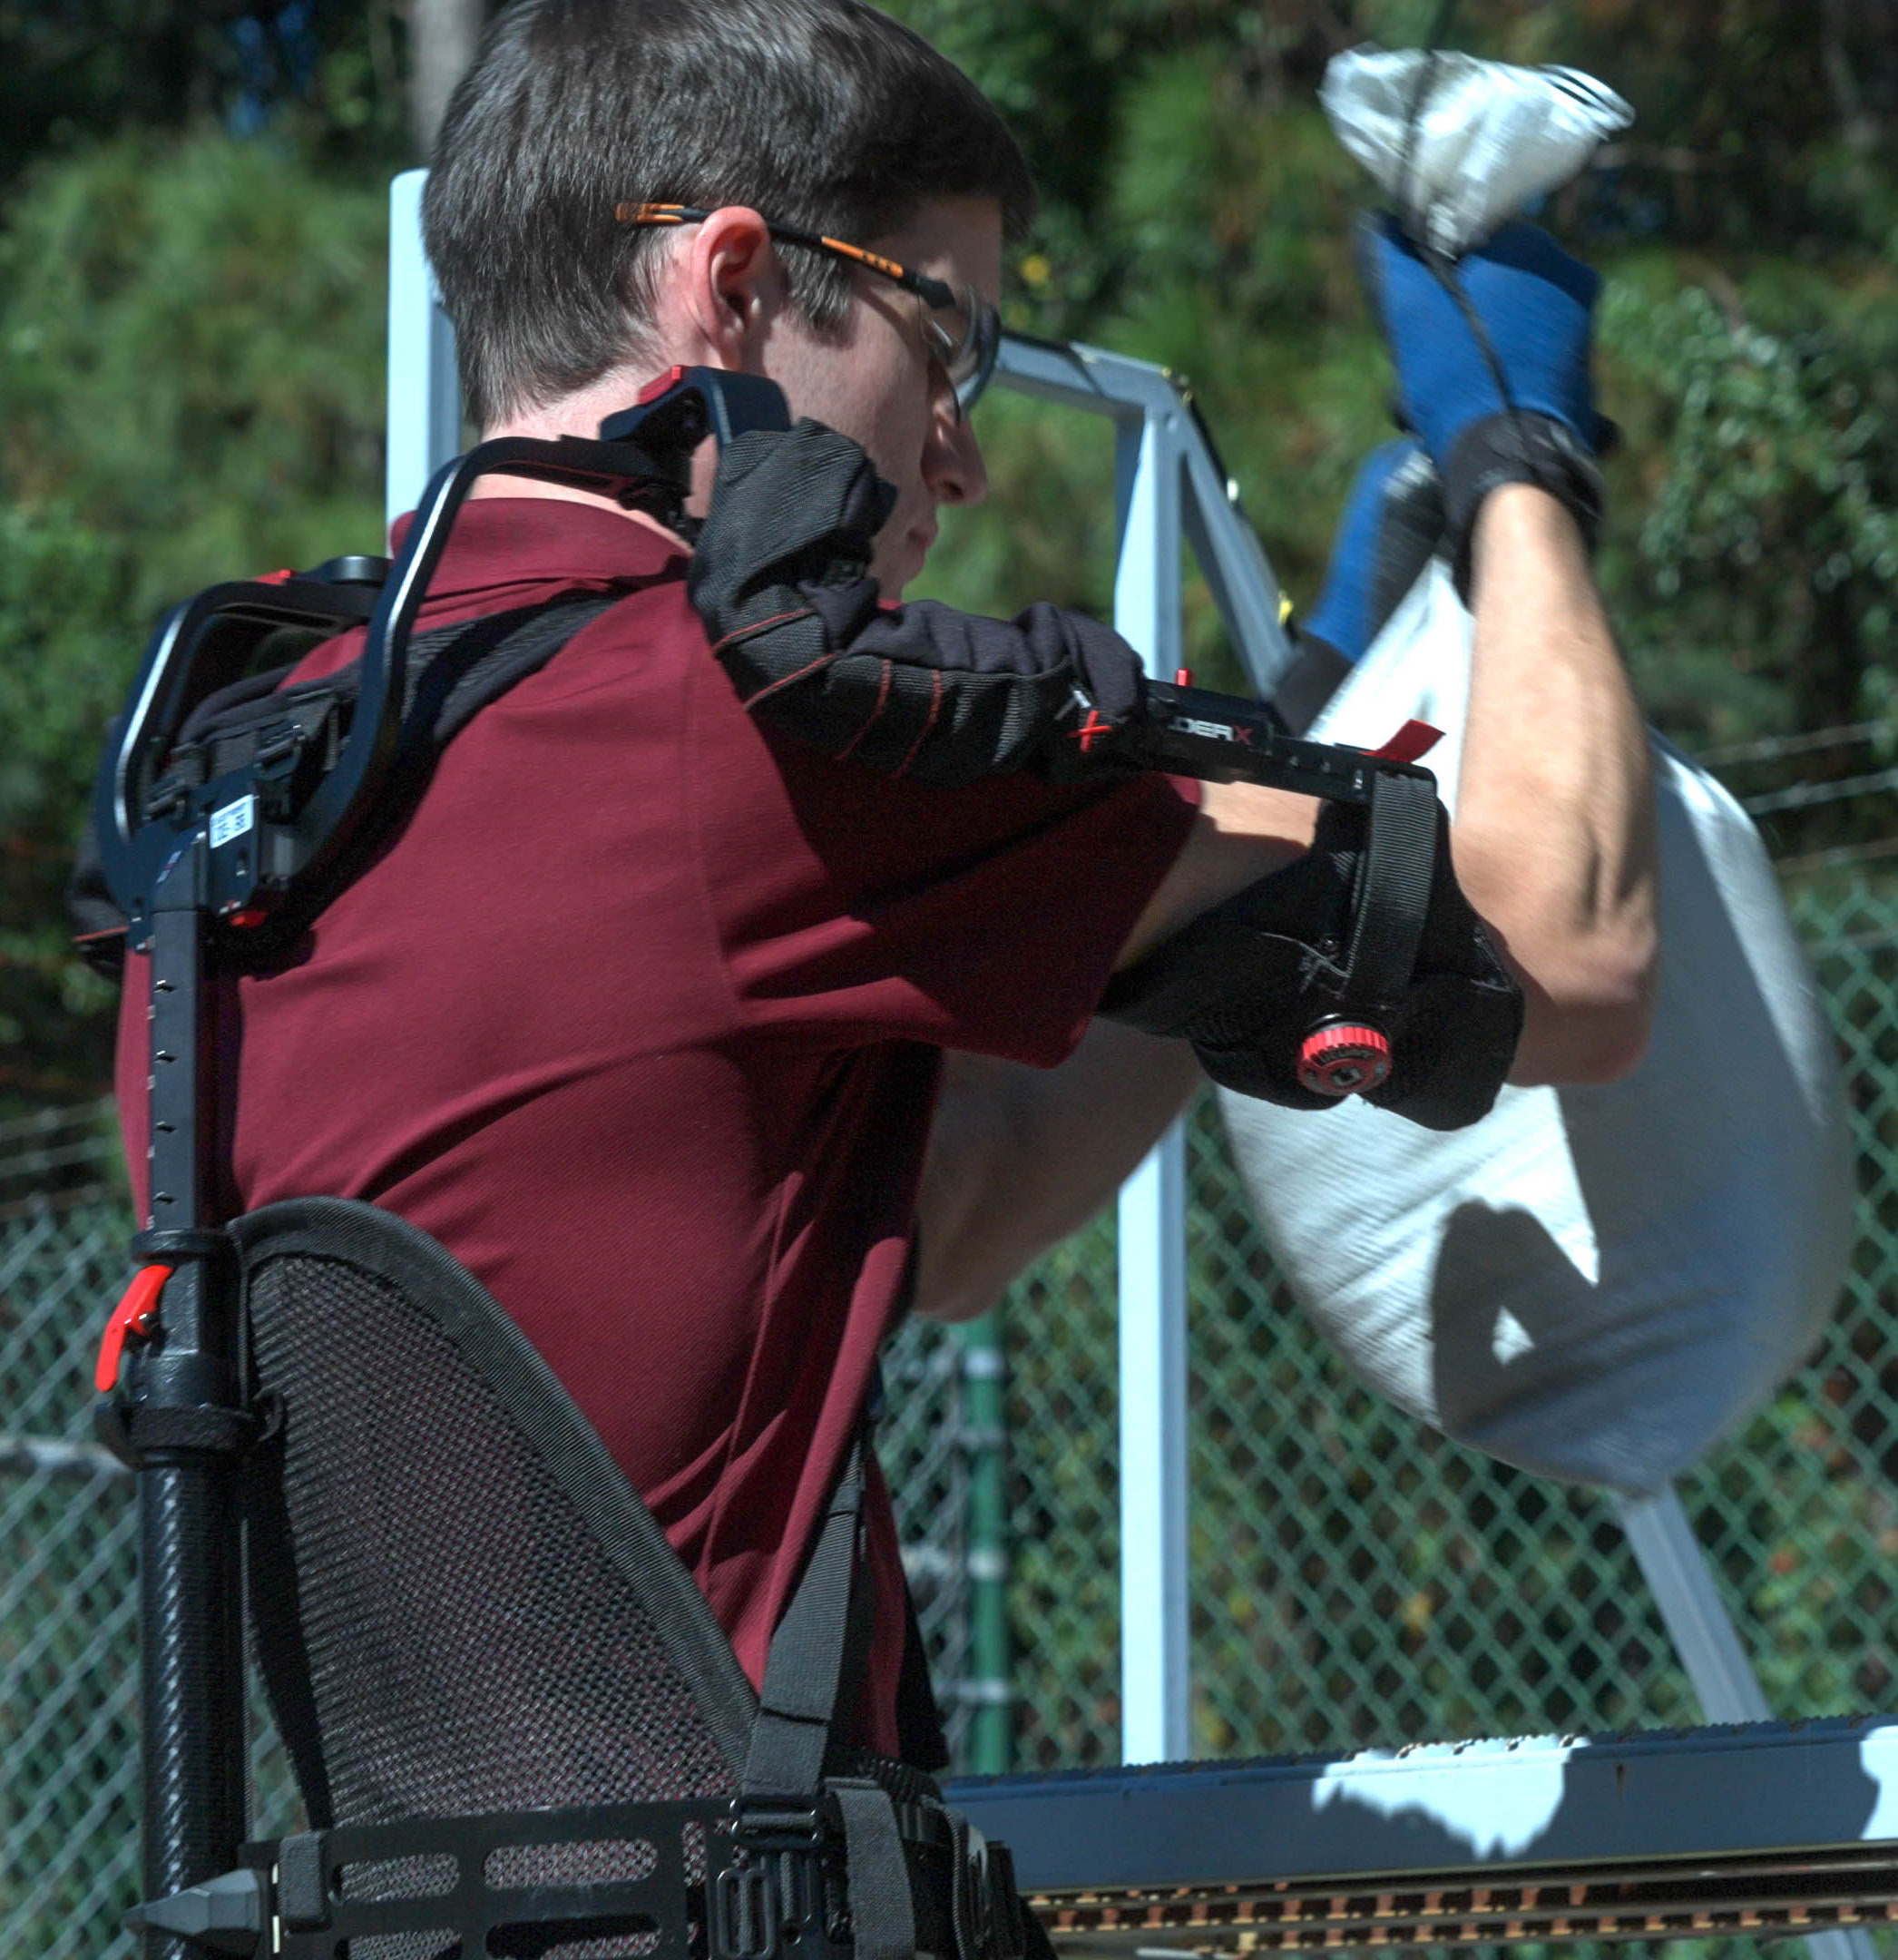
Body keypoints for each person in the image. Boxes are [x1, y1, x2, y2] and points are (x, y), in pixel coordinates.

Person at [113, 0, 1657, 1769]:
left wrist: (1291, 744)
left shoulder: (257, 779)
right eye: (948, 343)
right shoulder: (758, 733)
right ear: (737, 285)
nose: (962, 453)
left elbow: (962, 1199)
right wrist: (1516, 464)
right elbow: (1572, 949)